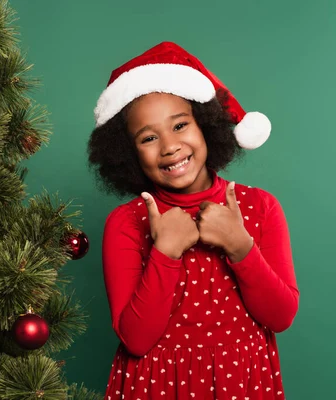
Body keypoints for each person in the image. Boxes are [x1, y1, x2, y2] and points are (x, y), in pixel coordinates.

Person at [87, 41, 299, 399]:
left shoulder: (260, 207)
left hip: (242, 381)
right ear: (127, 153)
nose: (169, 146)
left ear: (206, 126)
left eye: (180, 125)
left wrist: (239, 246)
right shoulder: (126, 222)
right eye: (149, 137)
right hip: (155, 385)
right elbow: (136, 340)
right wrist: (165, 253)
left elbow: (280, 316)